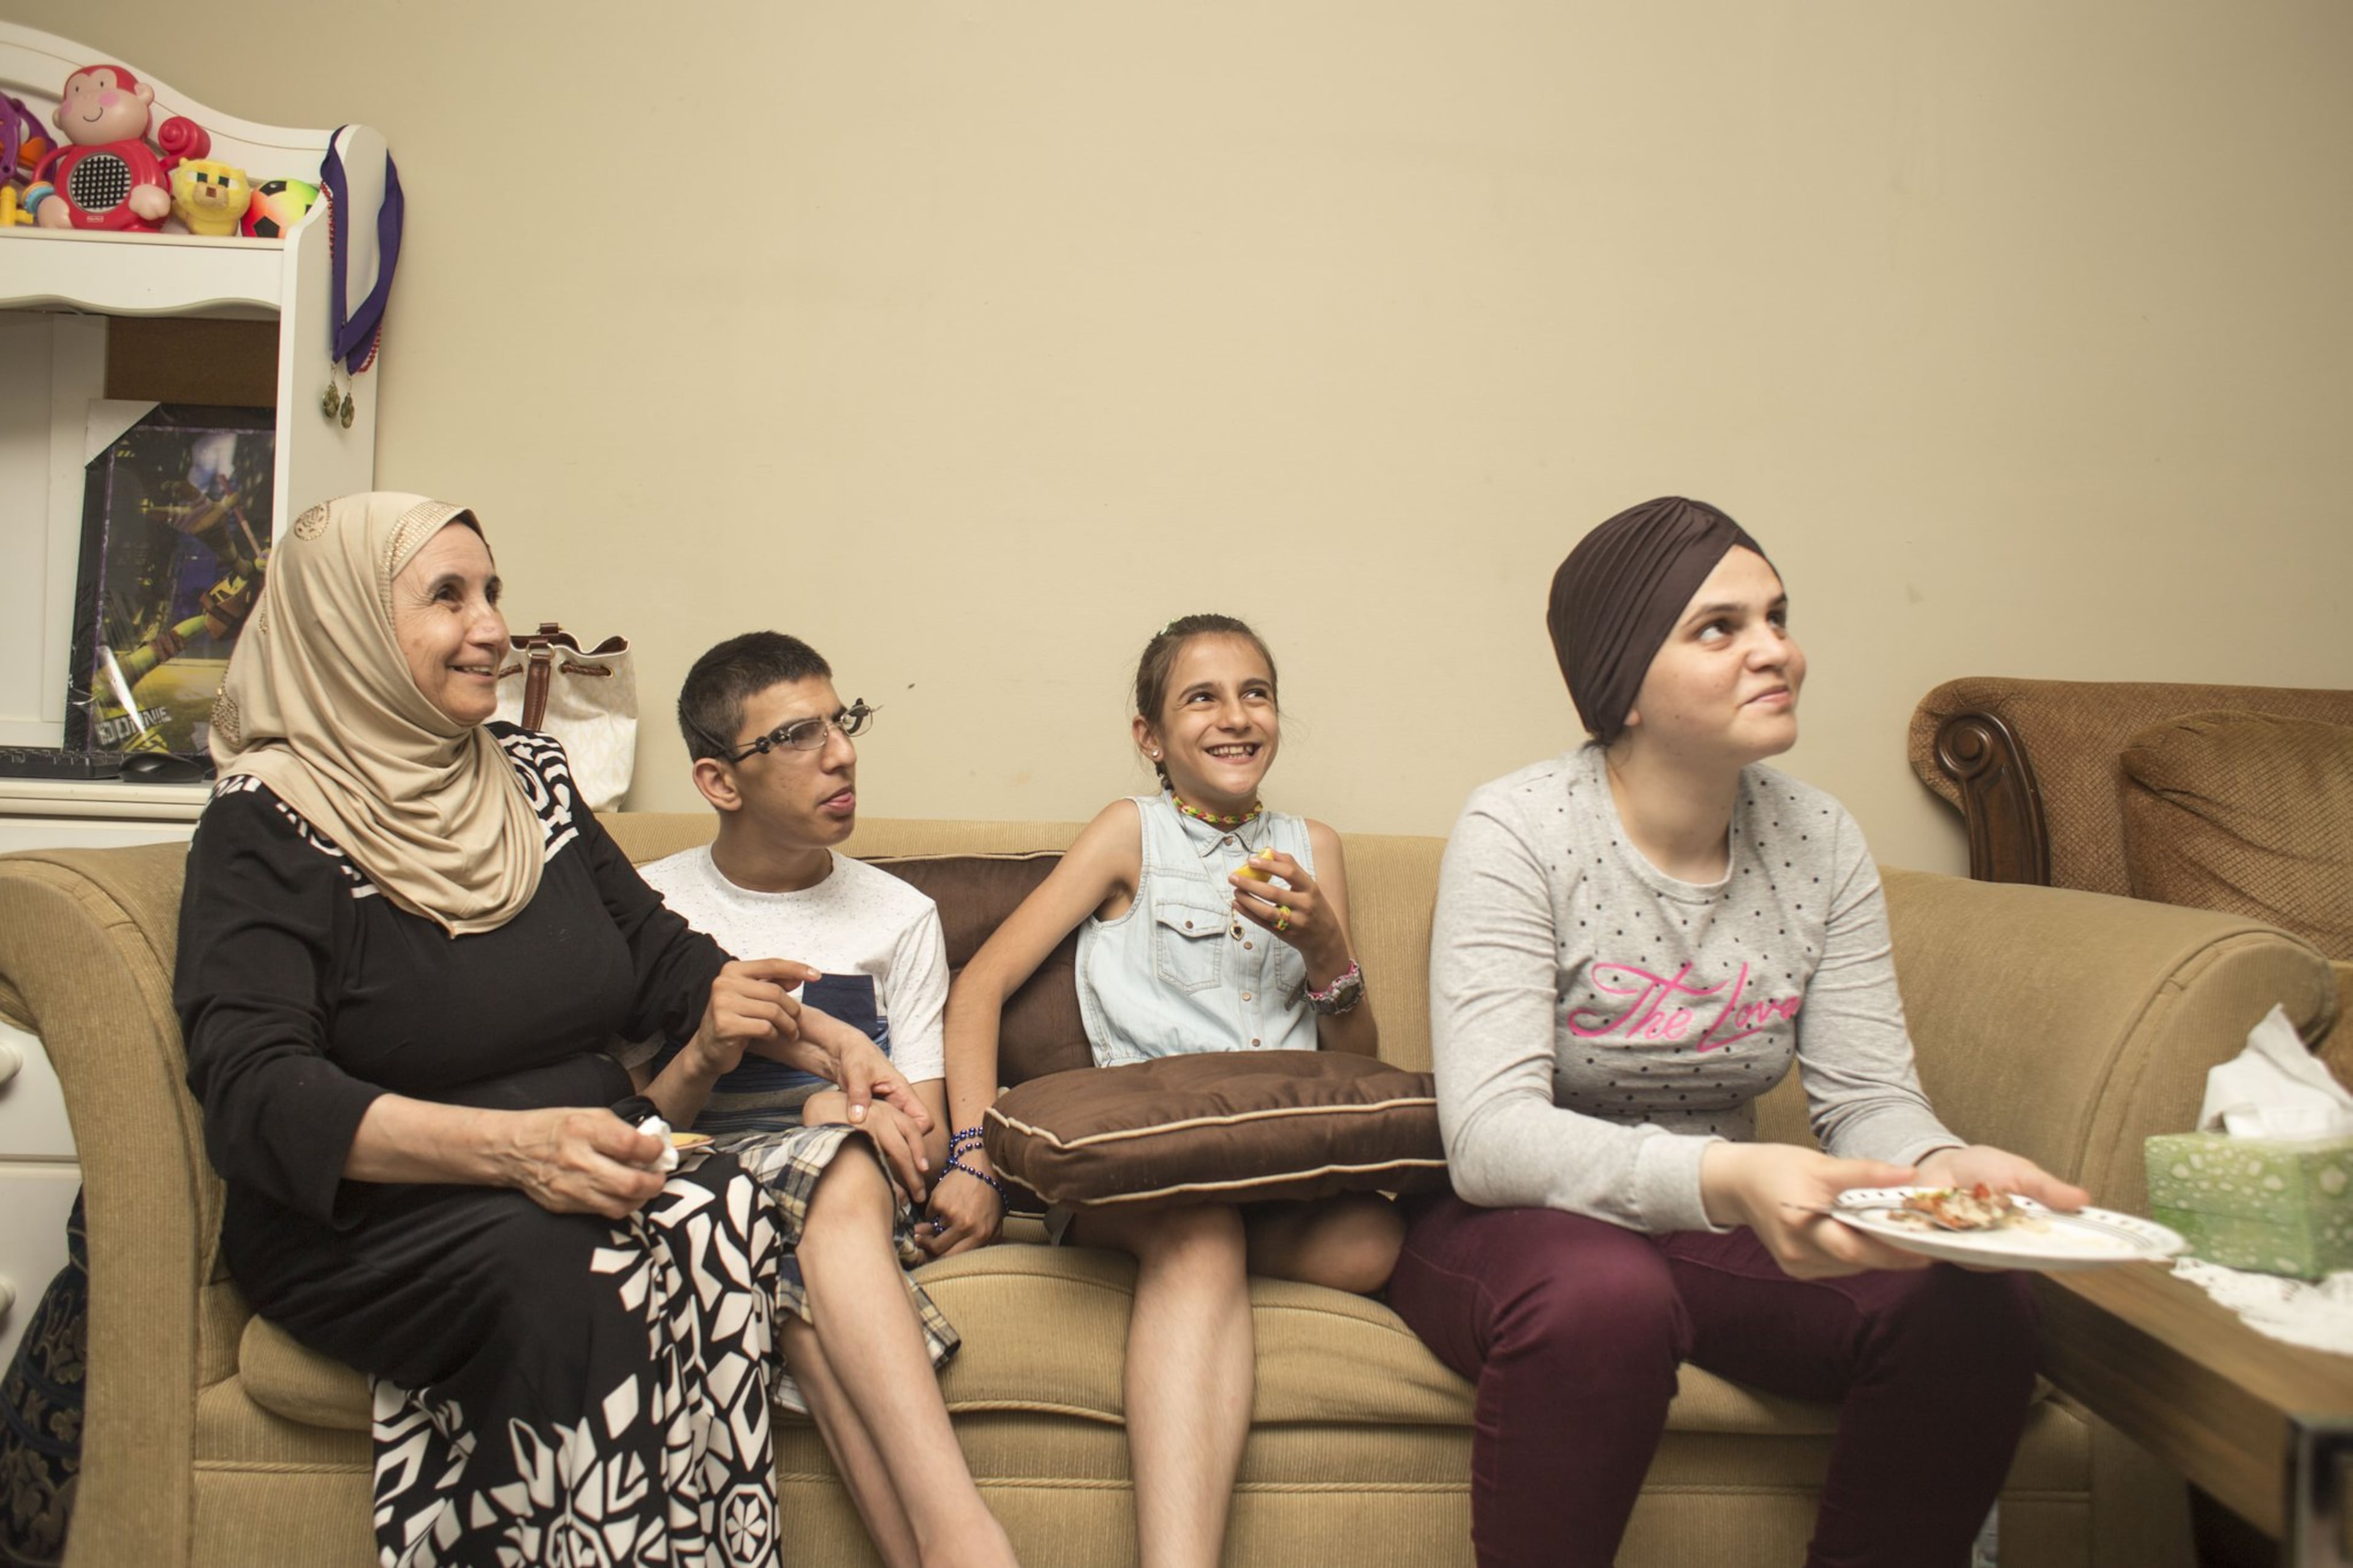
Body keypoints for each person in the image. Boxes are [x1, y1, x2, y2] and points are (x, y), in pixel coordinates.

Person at [174, 493, 923, 1568]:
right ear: (343, 626)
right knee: (587, 1259)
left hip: (577, 1159)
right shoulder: (264, 823)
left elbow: (665, 963)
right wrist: (515, 1151)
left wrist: (825, 1040)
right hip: (383, 1217)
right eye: (447, 597)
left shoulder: (529, 778)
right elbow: (254, 1093)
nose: (491, 626)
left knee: (720, 1211)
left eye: (493, 594)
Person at [1387, 496, 2086, 1568]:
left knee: (1975, 1305)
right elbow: (1489, 1138)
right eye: (1720, 628)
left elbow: (1864, 1102)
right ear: (1623, 682)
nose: (1778, 652)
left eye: (1778, 616)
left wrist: (1947, 1166)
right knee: (1604, 1297)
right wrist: (1734, 1175)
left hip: (1710, 1224)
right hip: (1521, 1221)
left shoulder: (1821, 837)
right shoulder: (1517, 830)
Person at [930, 613, 1406, 1568]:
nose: (1236, 717)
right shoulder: (1128, 833)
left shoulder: (1315, 847)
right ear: (1150, 736)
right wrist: (973, 1156)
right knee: (1199, 1228)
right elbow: (977, 991)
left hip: (1270, 1158)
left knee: (1372, 1243)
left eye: (1256, 693)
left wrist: (1326, 952)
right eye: (1202, 697)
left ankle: (1211, 1264)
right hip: (1139, 1161)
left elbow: (1359, 1058)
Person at [623, 630, 1017, 1568]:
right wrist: (712, 1056)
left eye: (841, 723)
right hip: (714, 1194)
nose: (841, 753)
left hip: (852, 1190)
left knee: (837, 1166)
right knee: (795, 1283)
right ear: (720, 781)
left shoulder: (897, 916)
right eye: (798, 736)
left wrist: (835, 1119)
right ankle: (961, 1539)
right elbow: (636, 1121)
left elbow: (913, 1141)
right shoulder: (650, 908)